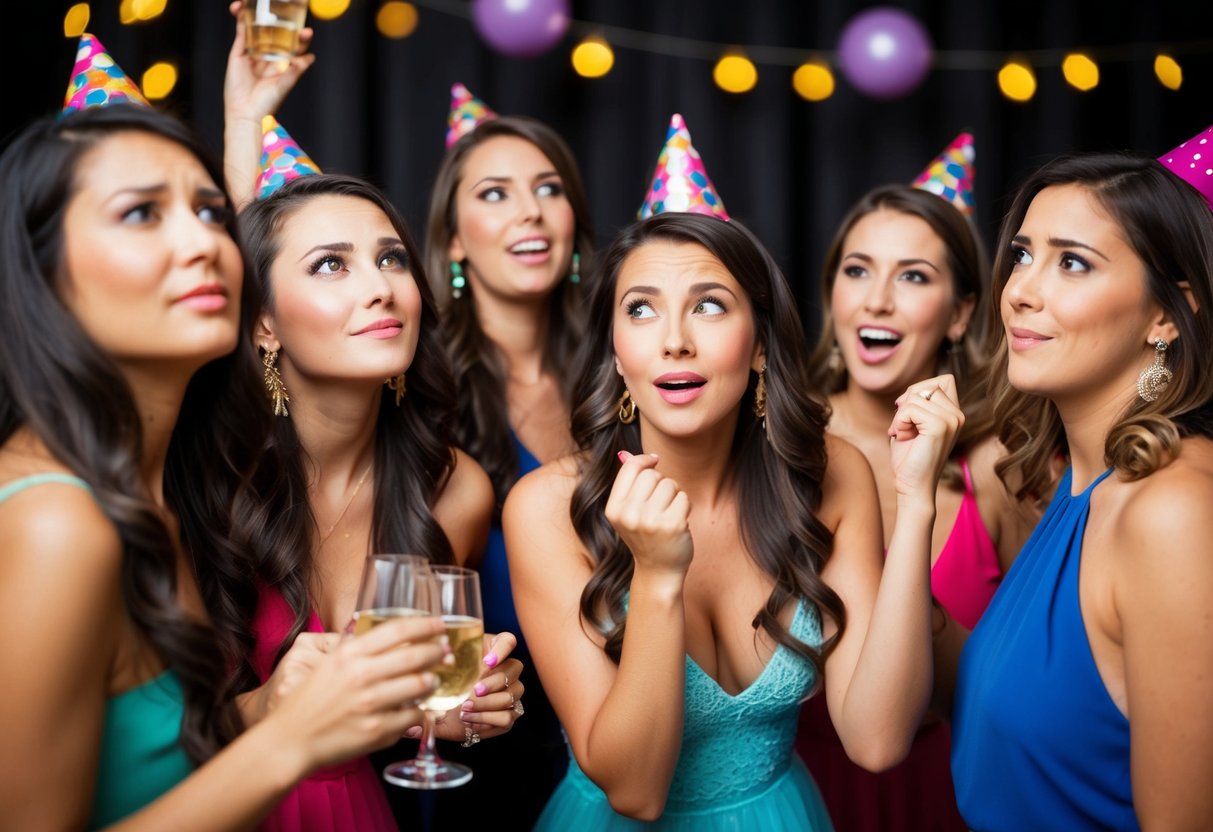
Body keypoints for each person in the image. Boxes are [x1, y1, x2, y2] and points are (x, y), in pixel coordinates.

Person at [504, 114, 967, 829]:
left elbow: (876, 742)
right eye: (641, 310)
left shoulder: (831, 474)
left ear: (758, 345)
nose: (674, 340)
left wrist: (913, 505)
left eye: (709, 306)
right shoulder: (545, 507)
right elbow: (635, 791)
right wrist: (657, 576)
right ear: (616, 352)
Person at [0, 91, 447, 829]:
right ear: (44, 270)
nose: (205, 243)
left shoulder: (153, 495)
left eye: (211, 214)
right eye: (140, 214)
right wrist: (292, 738)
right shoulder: (58, 522)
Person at [221, 21, 518, 827]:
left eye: (390, 258)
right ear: (264, 323)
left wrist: (454, 711)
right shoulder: (209, 468)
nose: (380, 286)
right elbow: (118, 735)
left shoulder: (452, 486)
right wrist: (263, 707)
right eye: (331, 265)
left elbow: (396, 706)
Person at [950, 151, 1213, 829]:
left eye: (1072, 262)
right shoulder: (1080, 484)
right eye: (1022, 255)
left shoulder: (1172, 511)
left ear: (1167, 315)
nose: (1020, 290)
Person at [797, 139, 1039, 831]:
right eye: (857, 271)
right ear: (832, 295)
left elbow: (1025, 689)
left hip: (948, 796)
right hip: (794, 793)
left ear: (960, 314)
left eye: (912, 276)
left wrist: (920, 614)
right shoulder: (777, 447)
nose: (877, 300)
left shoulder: (998, 467)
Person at [421, 85, 596, 826]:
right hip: (485, 757)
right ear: (453, 240)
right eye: (495, 193)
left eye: (548, 189)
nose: (530, 212)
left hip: (631, 733)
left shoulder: (630, 374)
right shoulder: (420, 393)